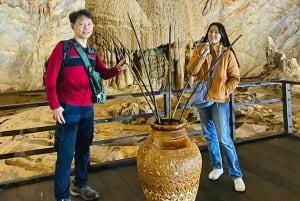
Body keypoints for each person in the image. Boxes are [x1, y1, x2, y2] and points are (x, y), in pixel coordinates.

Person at [45, 9, 128, 201]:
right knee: (65, 156)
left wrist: (117, 69)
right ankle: (62, 196)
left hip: (86, 110)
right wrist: (55, 106)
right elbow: (50, 79)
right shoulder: (62, 48)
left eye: (89, 24)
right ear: (73, 26)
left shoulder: (91, 52)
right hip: (67, 109)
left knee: (83, 151)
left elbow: (102, 73)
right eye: (81, 23)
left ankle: (80, 185)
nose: (85, 27)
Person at [186, 22, 246, 192]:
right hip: (204, 99)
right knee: (209, 135)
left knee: (224, 138)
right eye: (211, 31)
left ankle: (236, 175)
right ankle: (217, 166)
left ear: (221, 35)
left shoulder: (227, 53)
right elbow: (192, 71)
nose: (213, 34)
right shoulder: (200, 49)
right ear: (208, 33)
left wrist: (224, 90)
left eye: (217, 32)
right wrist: (201, 56)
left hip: (220, 101)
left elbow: (235, 77)